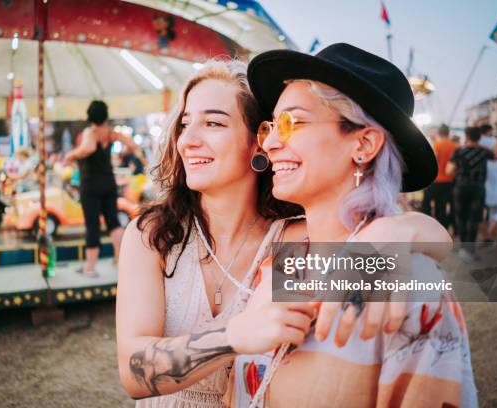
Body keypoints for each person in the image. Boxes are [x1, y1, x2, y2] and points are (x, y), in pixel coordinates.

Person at [116, 59, 452, 407]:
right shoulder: (155, 235)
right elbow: (132, 373)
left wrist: (399, 228)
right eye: (184, 125)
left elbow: (448, 252)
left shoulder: (289, 244)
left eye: (213, 122)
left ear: (256, 142)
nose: (187, 141)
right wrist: (233, 336)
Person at [225, 43, 476, 407]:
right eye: (271, 125)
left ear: (364, 143)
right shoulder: (282, 257)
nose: (271, 143)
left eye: (292, 122)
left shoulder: (406, 283)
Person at [64, 100, 134, 276]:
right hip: (108, 184)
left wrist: (71, 155)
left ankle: (90, 268)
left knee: (92, 226)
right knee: (114, 223)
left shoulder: (91, 132)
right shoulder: (110, 133)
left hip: (91, 185)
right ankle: (123, 262)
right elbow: (131, 144)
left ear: (90, 115)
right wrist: (123, 154)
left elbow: (88, 148)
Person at [447, 126, 495, 261]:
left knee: (461, 218)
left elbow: (449, 171)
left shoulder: (459, 151)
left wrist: (460, 172)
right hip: (478, 189)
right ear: (479, 137)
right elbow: (496, 156)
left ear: (466, 137)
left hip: (461, 187)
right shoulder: (485, 152)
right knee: (474, 219)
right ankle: (470, 251)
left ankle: (463, 248)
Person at [422, 124, 457, 230]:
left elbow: (432, 163)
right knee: (441, 205)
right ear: (448, 133)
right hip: (450, 181)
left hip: (436, 180)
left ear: (439, 133)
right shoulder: (454, 146)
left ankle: (429, 224)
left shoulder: (436, 145)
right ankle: (444, 227)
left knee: (427, 202)